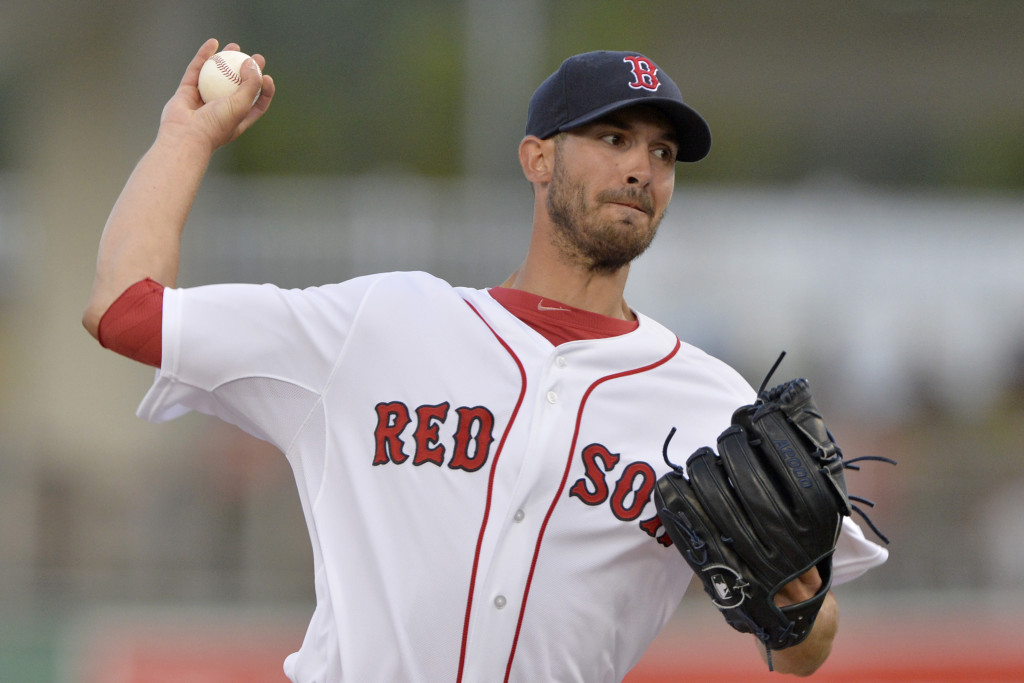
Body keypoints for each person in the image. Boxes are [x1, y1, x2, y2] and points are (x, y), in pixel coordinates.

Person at [83, 39, 888, 682]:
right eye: (612, 138)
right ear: (538, 160)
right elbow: (124, 311)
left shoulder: (710, 401)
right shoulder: (381, 323)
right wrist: (184, 137)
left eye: (664, 151)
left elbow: (802, 653)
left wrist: (795, 600)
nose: (642, 168)